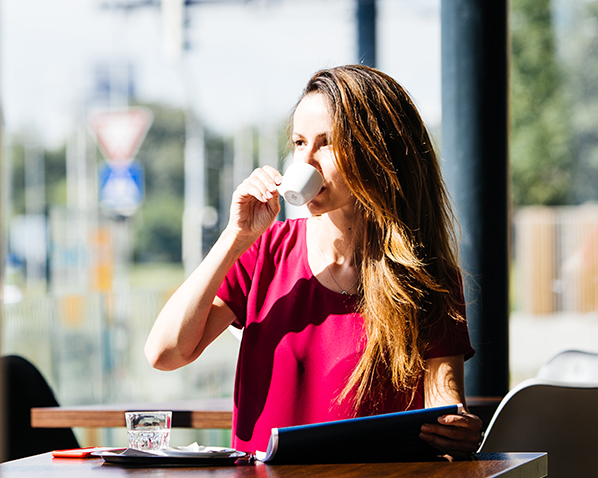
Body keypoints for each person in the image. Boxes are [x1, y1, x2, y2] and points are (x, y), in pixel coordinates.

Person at [144, 64, 482, 459]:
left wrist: (457, 432)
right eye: (300, 143)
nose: (306, 162)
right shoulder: (265, 251)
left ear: (378, 151)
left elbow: (445, 409)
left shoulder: (425, 277)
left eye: (327, 143)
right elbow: (165, 353)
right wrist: (236, 236)